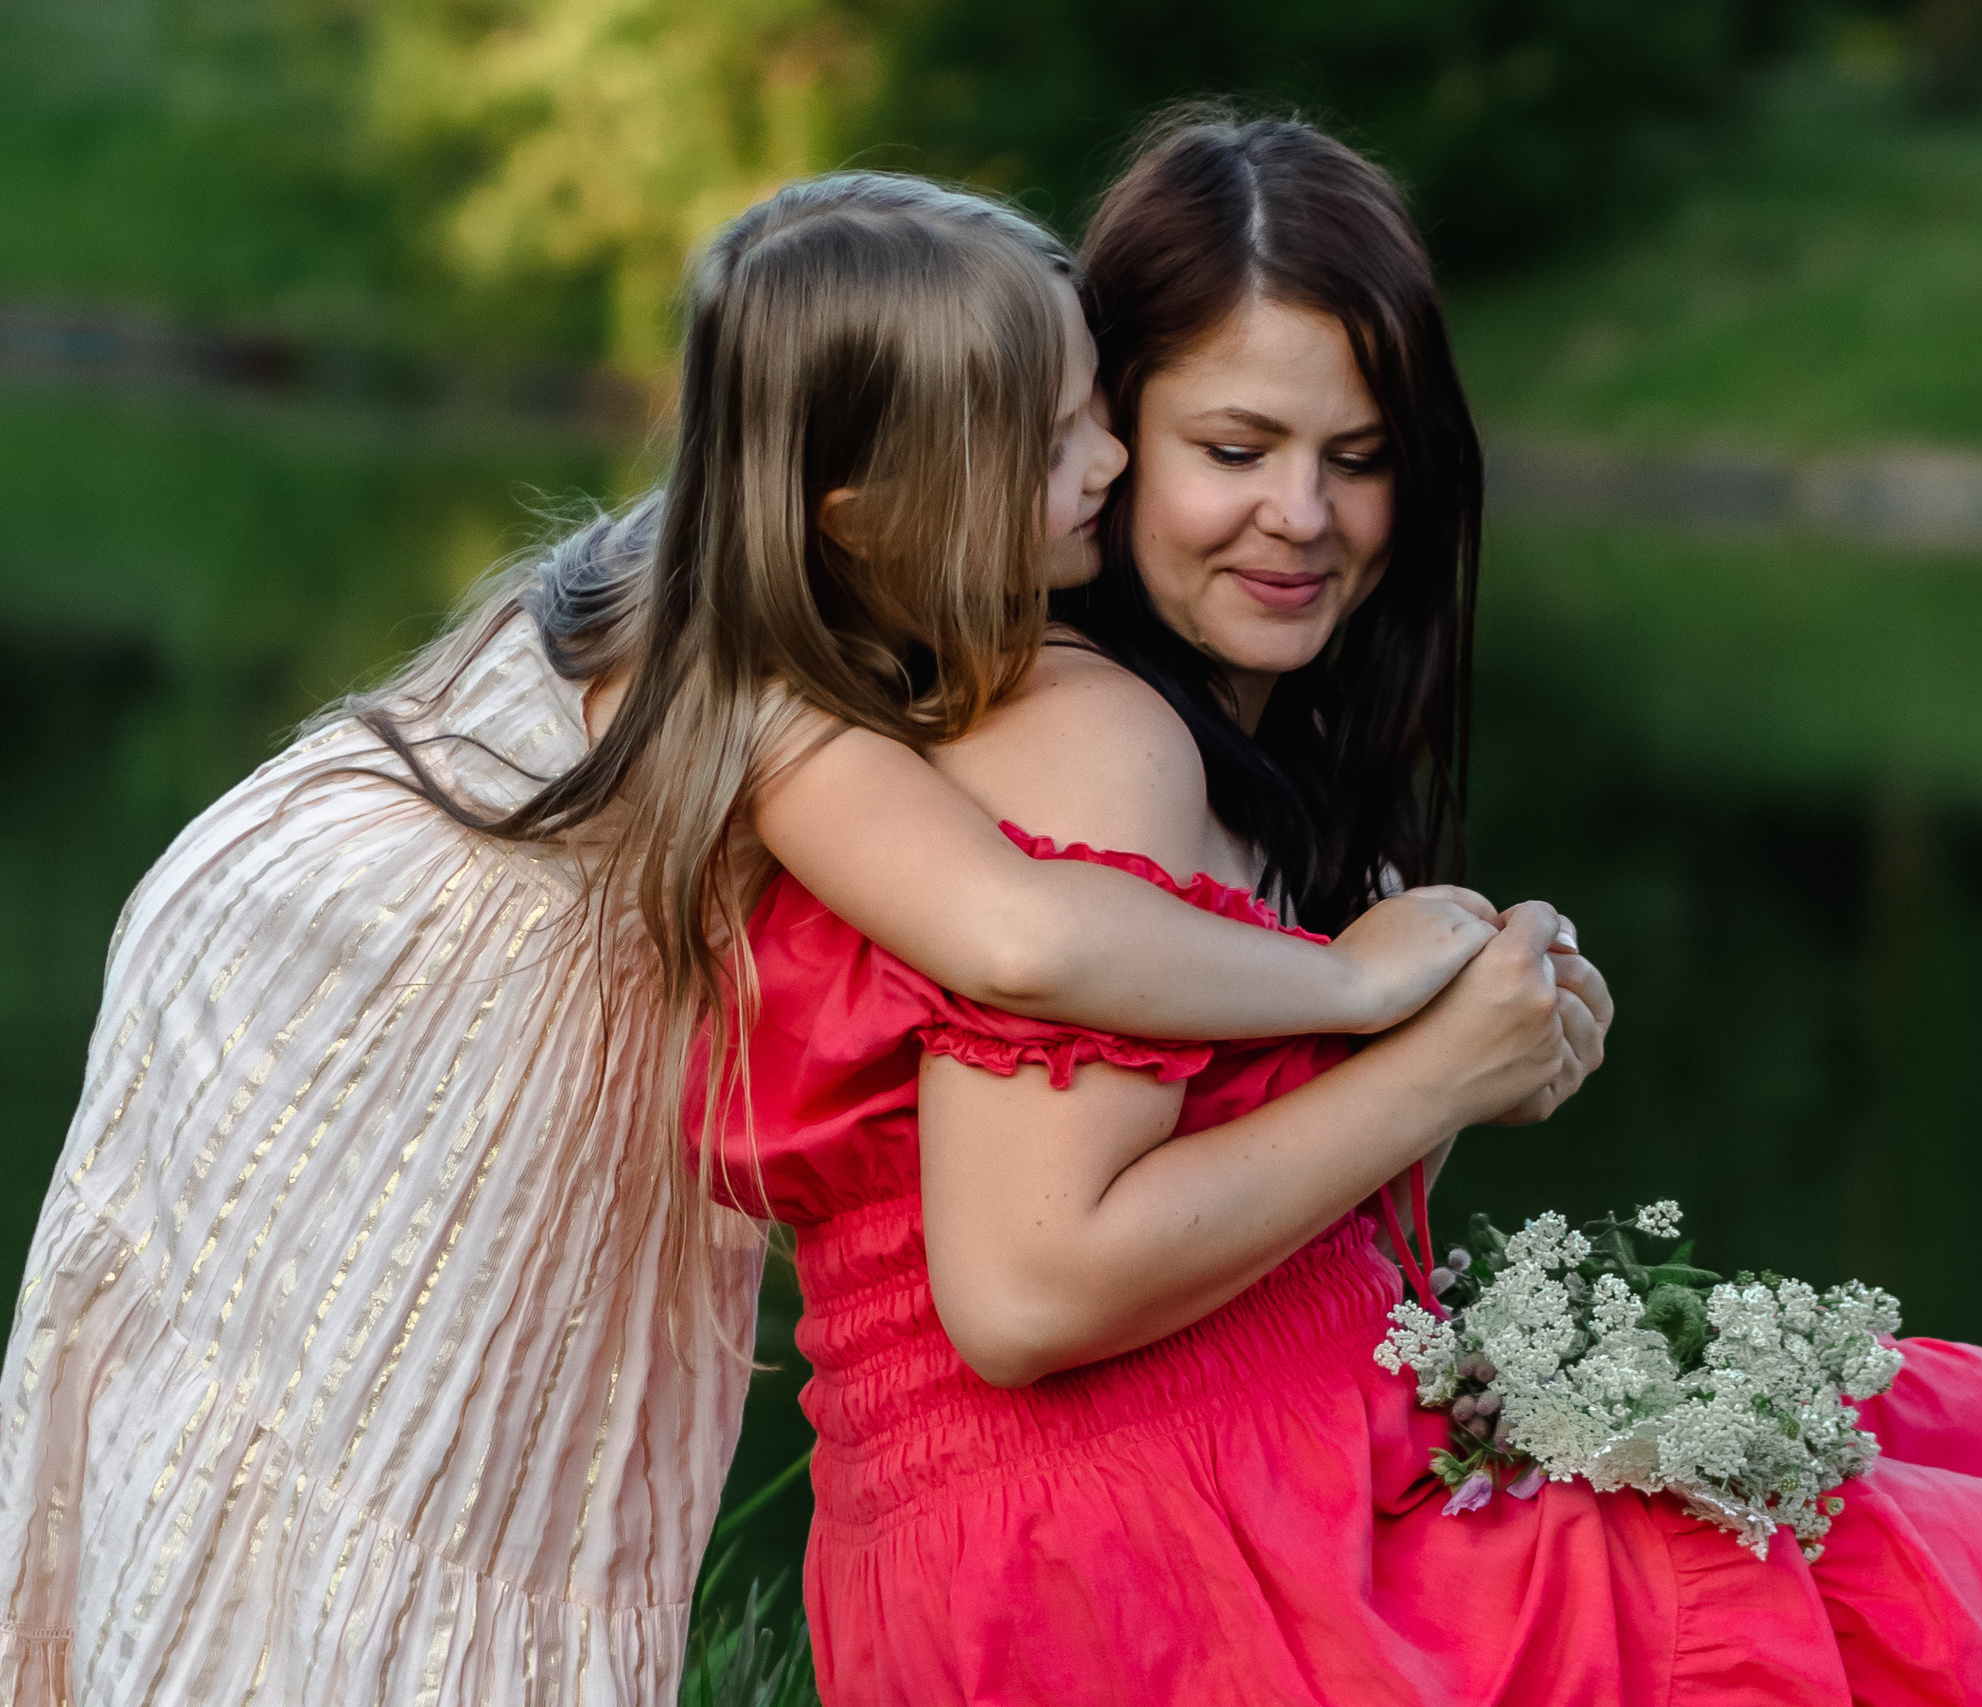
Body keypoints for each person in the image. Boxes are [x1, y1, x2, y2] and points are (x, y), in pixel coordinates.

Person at [702, 112, 1982, 1706]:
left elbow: (1240, 1196)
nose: (1304, 515)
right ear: (1101, 427)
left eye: (1358, 460)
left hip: (1259, 1471)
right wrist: (1433, 1075)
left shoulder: (1238, 757)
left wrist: (1458, 1085)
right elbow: (1022, 1295)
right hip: (1117, 1565)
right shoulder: (1095, 747)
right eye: (1234, 451)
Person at [0, 172, 1511, 1706]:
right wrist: (1347, 985)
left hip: (442, 962)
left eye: (1100, 413)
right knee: (371, 1442)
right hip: (376, 994)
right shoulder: (760, 680)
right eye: (1063, 438)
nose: (1108, 460)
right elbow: (1017, 936)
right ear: (873, 505)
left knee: (472, 1459)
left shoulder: (823, 554)